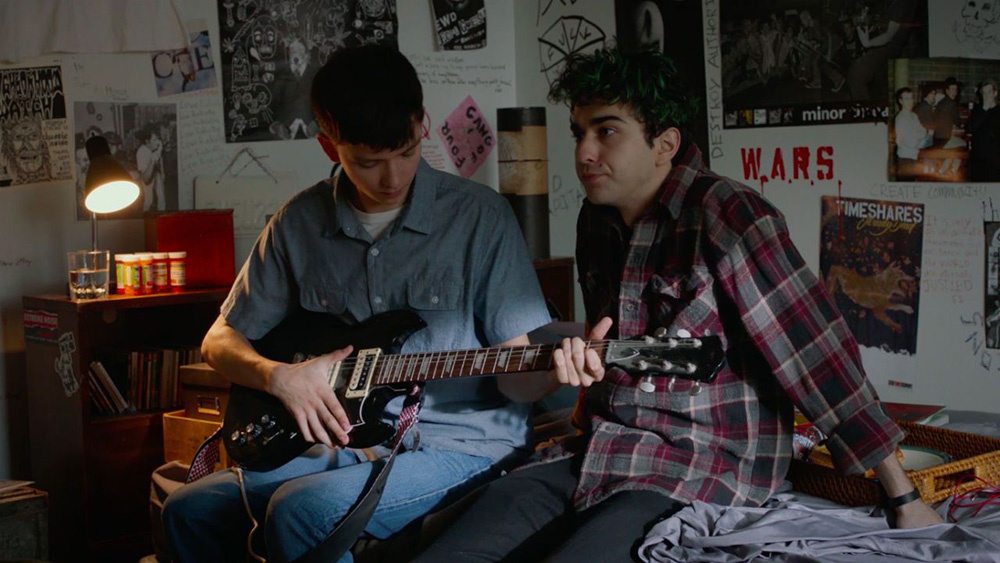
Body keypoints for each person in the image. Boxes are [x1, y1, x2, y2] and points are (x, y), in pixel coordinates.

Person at [416, 46, 943, 563]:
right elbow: (607, 347)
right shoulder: (595, 220)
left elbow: (815, 354)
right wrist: (575, 367)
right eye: (579, 133)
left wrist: (903, 497)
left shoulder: (730, 215)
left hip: (699, 465)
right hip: (598, 449)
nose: (584, 153)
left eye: (606, 131)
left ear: (665, 143)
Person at [161, 44, 555, 563]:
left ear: (422, 123)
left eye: (406, 152)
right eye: (368, 163)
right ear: (329, 147)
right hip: (349, 441)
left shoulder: (481, 218)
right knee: (187, 510)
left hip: (463, 444)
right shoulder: (298, 223)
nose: (393, 179)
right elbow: (219, 341)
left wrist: (561, 370)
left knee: (300, 510)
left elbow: (519, 375)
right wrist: (278, 378)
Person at [892, 87, 931, 179]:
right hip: (905, 159)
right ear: (900, 101)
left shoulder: (914, 116)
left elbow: (923, 131)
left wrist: (919, 135)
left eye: (911, 98)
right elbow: (911, 142)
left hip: (915, 156)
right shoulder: (901, 119)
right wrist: (922, 137)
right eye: (906, 99)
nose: (910, 101)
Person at [968, 79, 1000, 182]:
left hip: (995, 160)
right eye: (984, 93)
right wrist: (984, 109)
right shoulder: (978, 110)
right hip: (978, 158)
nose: (986, 96)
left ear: (995, 93)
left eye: (989, 92)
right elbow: (970, 128)